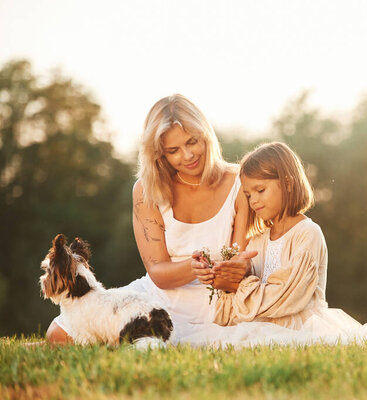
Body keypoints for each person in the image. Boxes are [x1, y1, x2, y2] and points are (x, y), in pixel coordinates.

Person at [46, 94, 254, 344]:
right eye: (174, 150)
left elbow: (239, 256)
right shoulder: (146, 191)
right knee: (58, 334)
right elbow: (158, 273)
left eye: (192, 142)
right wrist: (193, 266)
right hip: (160, 296)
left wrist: (233, 269)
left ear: (206, 136)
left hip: (218, 298)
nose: (187, 155)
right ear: (159, 154)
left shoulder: (238, 182)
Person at [182, 142, 367, 347]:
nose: (253, 200)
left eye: (260, 190)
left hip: (301, 324)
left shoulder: (307, 234)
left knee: (266, 340)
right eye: (248, 195)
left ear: (288, 183)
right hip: (263, 323)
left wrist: (239, 286)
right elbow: (247, 297)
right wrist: (224, 278)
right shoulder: (258, 240)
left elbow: (288, 297)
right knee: (206, 340)